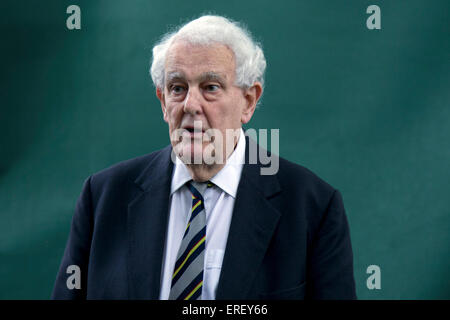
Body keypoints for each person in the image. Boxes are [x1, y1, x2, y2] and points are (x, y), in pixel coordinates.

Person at [52, 15, 356, 300]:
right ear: (162, 102)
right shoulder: (104, 198)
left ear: (249, 101)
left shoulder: (312, 207)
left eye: (210, 87)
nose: (191, 105)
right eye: (177, 88)